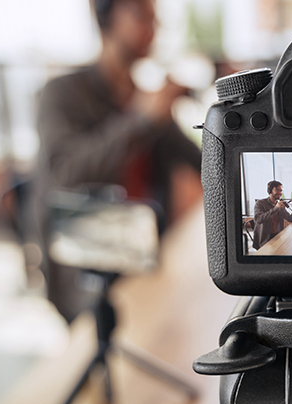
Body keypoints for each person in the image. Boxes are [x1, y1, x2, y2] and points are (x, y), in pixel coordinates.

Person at [32, 0, 202, 321]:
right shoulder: (62, 93)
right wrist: (140, 120)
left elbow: (203, 161)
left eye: (154, 19)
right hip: (89, 267)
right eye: (141, 16)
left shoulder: (143, 97)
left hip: (147, 257)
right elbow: (65, 173)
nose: (152, 29)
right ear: (105, 16)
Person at [253, 180, 292, 249]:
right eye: (277, 190)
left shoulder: (279, 205)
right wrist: (276, 208)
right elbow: (258, 219)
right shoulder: (260, 203)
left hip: (278, 237)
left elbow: (290, 218)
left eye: (280, 190)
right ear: (270, 190)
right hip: (265, 240)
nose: (279, 193)